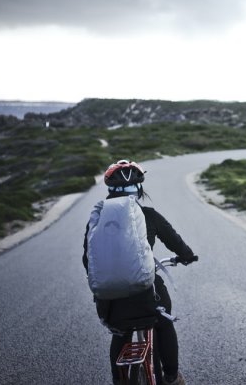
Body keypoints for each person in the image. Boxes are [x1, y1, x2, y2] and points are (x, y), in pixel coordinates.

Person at [83, 160, 196, 385]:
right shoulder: (149, 215)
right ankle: (172, 377)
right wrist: (187, 256)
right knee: (164, 324)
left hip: (111, 303)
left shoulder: (97, 221)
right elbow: (176, 242)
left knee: (120, 332)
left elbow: (88, 260)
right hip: (147, 296)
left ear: (110, 191)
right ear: (138, 190)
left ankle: (119, 380)